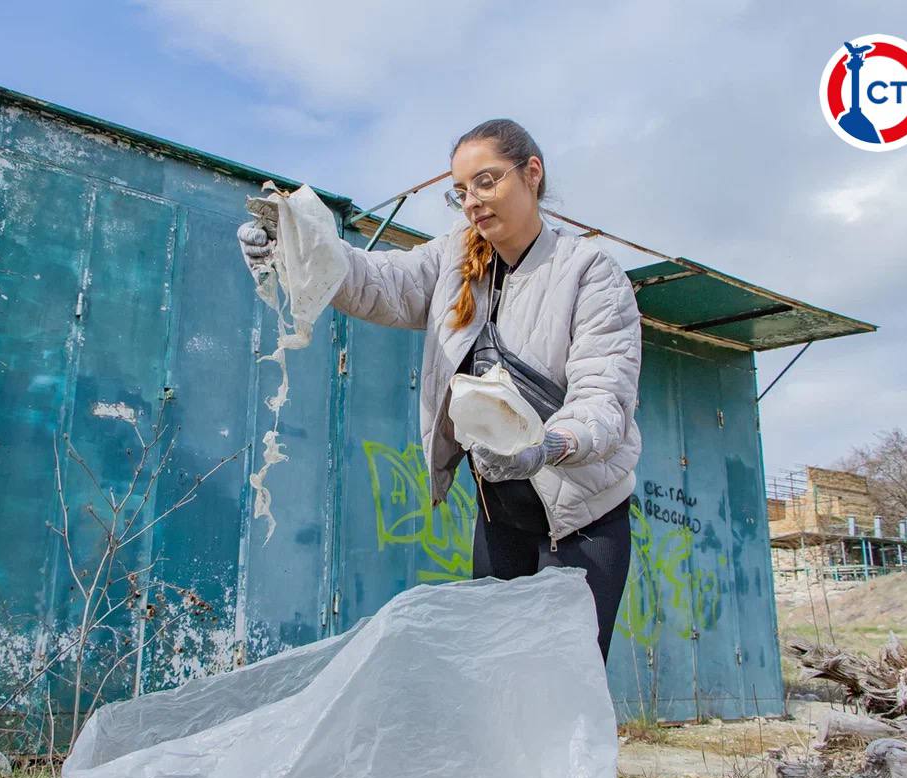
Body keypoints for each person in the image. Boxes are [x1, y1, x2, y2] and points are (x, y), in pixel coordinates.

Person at [238, 119, 642, 665]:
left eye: (487, 181)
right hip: (501, 518)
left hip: (581, 524)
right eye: (461, 191)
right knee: (494, 682)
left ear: (532, 173)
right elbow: (376, 281)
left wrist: (548, 446)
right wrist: (293, 250)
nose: (472, 201)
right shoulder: (455, 260)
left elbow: (604, 396)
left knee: (563, 688)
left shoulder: (589, 273)